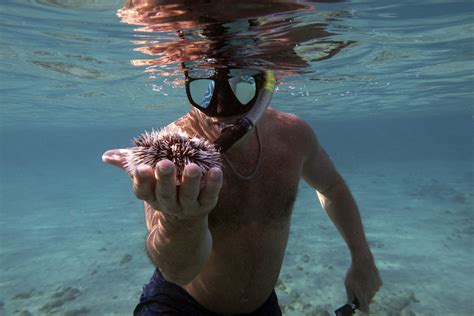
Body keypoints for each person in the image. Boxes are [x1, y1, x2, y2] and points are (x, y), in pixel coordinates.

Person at [102, 67, 382, 315]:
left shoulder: (294, 135)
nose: (222, 107)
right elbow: (177, 271)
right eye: (206, 87)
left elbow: (332, 187)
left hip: (262, 306)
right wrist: (182, 221)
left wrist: (362, 257)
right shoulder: (168, 155)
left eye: (243, 84)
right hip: (179, 304)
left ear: (266, 84)